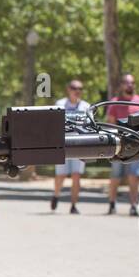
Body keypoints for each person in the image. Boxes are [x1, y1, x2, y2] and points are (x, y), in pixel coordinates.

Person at [104, 73, 139, 215]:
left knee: (134, 176)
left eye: (132, 83)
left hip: (136, 145)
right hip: (118, 146)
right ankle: (112, 204)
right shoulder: (115, 102)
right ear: (121, 85)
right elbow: (109, 124)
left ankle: (134, 206)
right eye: (127, 83)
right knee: (115, 176)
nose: (130, 85)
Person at [51, 79, 90, 213]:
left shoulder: (86, 106)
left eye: (80, 88)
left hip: (80, 145)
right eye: (74, 88)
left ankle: (73, 205)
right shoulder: (60, 104)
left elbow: (89, 126)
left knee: (76, 176)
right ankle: (56, 195)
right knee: (61, 176)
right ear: (68, 89)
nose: (77, 91)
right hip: (63, 145)